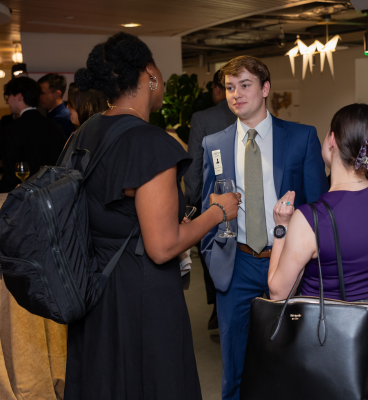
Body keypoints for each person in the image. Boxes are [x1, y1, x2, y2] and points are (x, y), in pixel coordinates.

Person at [64, 32, 240, 400]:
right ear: (150, 75)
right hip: (141, 291)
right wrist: (217, 211)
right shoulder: (151, 143)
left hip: (93, 286)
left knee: (108, 382)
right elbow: (162, 247)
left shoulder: (83, 133)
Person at [201, 55, 329, 400]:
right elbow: (207, 207)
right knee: (234, 364)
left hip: (288, 260)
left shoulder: (301, 138)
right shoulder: (215, 144)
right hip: (237, 263)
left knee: (292, 357)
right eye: (230, 87)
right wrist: (213, 255)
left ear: (265, 88)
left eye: (245, 85)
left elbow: (319, 206)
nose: (236, 94)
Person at [267, 103, 368, 391]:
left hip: (323, 334)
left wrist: (280, 229)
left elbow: (278, 292)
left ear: (331, 140)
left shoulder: (310, 218)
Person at [184, 69, 236, 329]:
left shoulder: (202, 118)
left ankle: (219, 307)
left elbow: (193, 166)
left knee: (214, 252)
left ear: (217, 89)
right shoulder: (252, 114)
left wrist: (193, 203)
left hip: (213, 201)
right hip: (244, 201)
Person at [0, 77, 66, 193]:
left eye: (8, 96)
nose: (6, 101)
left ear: (19, 96)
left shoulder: (13, 128)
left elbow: (10, 172)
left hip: (25, 194)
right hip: (53, 192)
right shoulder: (55, 126)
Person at [38, 73, 75, 137]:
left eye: (43, 93)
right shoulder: (50, 114)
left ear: (57, 94)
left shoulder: (64, 120)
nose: (39, 97)